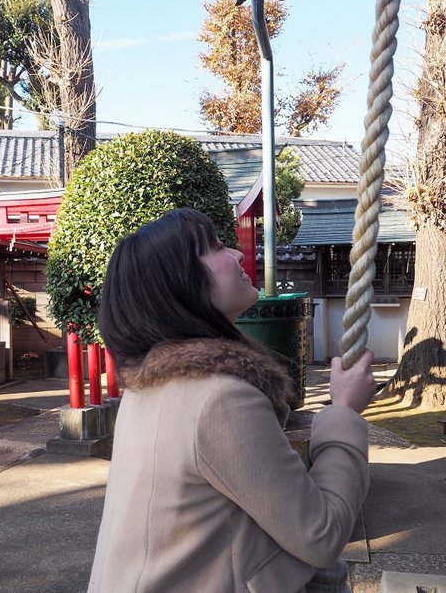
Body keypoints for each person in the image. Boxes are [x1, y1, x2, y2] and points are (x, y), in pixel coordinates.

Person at [88, 208, 376, 593]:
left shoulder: (153, 387)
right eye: (216, 247)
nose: (239, 254)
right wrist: (342, 414)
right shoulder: (220, 398)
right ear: (180, 285)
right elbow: (320, 534)